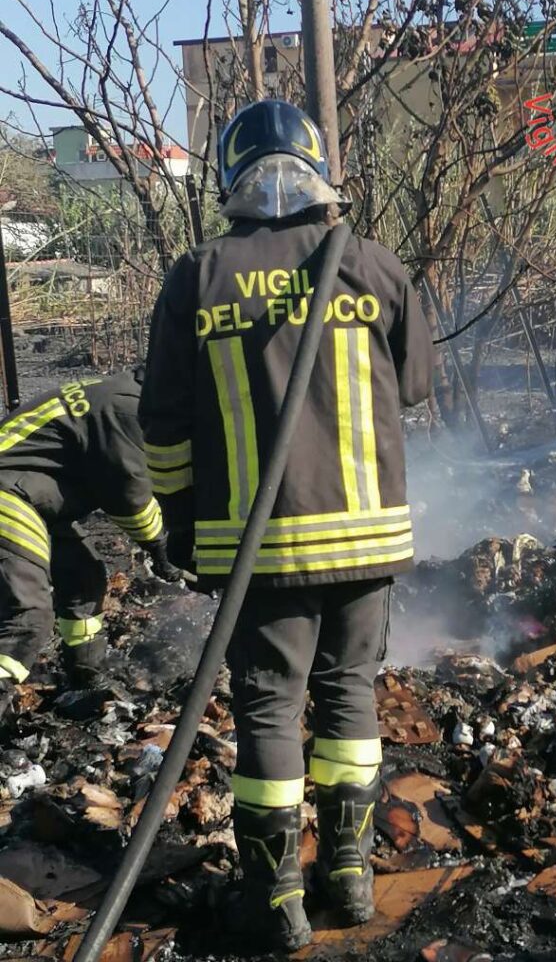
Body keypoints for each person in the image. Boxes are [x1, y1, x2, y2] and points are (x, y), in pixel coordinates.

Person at [139, 99, 434, 950]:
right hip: (366, 541)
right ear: (320, 171)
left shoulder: (198, 277)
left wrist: (180, 526)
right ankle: (350, 875)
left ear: (229, 176)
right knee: (349, 693)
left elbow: (162, 427)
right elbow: (416, 388)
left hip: (256, 550)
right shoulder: (372, 265)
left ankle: (276, 901)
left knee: (269, 706)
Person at [0, 367, 182, 716]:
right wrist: (162, 547)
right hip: (10, 494)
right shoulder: (125, 408)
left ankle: (85, 676)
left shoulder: (117, 394)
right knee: (27, 617)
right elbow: (129, 494)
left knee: (83, 578)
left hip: (32, 498)